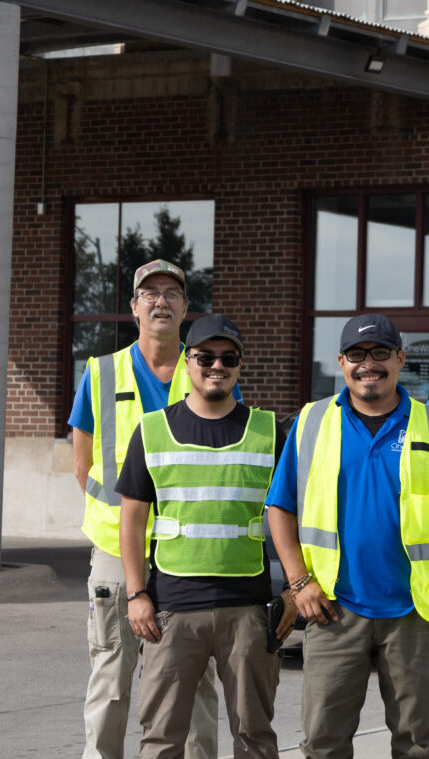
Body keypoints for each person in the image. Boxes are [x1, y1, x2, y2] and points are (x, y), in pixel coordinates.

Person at [265, 313, 429, 759]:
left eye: (380, 353)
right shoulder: (311, 423)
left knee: (418, 745)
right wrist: (299, 583)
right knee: (323, 743)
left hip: (414, 614)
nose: (369, 364)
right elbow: (279, 507)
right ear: (341, 362)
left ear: (400, 359)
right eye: (357, 355)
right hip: (332, 610)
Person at [117, 314, 295, 759]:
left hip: (249, 610)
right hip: (172, 610)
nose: (217, 365)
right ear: (187, 359)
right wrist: (137, 593)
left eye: (228, 358)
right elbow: (132, 521)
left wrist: (295, 588)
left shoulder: (269, 431)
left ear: (239, 365)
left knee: (255, 737)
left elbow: (294, 514)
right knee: (160, 739)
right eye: (205, 356)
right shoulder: (153, 430)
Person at [68, 259, 219, 759]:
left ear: (185, 309)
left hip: (190, 551)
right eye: (149, 293)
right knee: (112, 672)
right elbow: (82, 462)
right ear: (134, 308)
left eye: (171, 293)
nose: (161, 301)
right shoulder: (100, 373)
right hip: (116, 548)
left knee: (194, 679)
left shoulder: (210, 370)